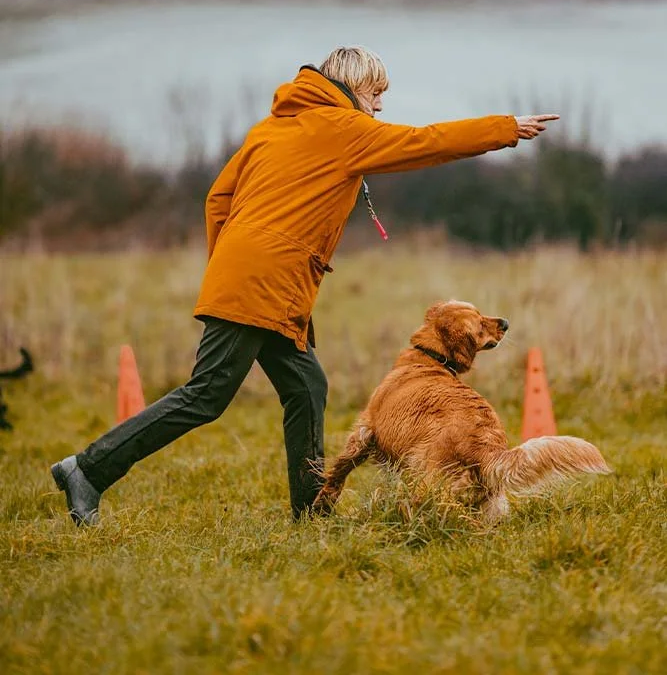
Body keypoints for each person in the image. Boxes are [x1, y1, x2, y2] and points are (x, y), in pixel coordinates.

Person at [51, 47, 559, 525]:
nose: (381, 102)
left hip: (256, 280)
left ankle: (312, 513)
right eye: (376, 90)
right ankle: (89, 470)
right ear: (353, 85)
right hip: (261, 285)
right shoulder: (343, 126)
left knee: (306, 386)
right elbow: (423, 142)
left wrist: (229, 265)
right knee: (205, 395)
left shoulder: (270, 128)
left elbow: (217, 200)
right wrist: (505, 128)